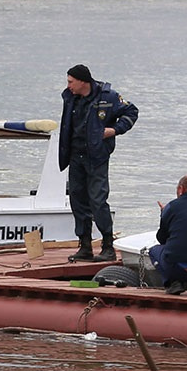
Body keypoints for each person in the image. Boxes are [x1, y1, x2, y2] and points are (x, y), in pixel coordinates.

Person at [58, 63, 139, 262]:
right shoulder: (70, 97)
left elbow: (132, 111)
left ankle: (107, 246)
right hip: (75, 155)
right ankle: (85, 246)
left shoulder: (108, 97)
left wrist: (115, 130)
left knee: (98, 200)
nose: (68, 86)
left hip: (97, 156)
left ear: (83, 82)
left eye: (71, 82)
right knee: (77, 200)